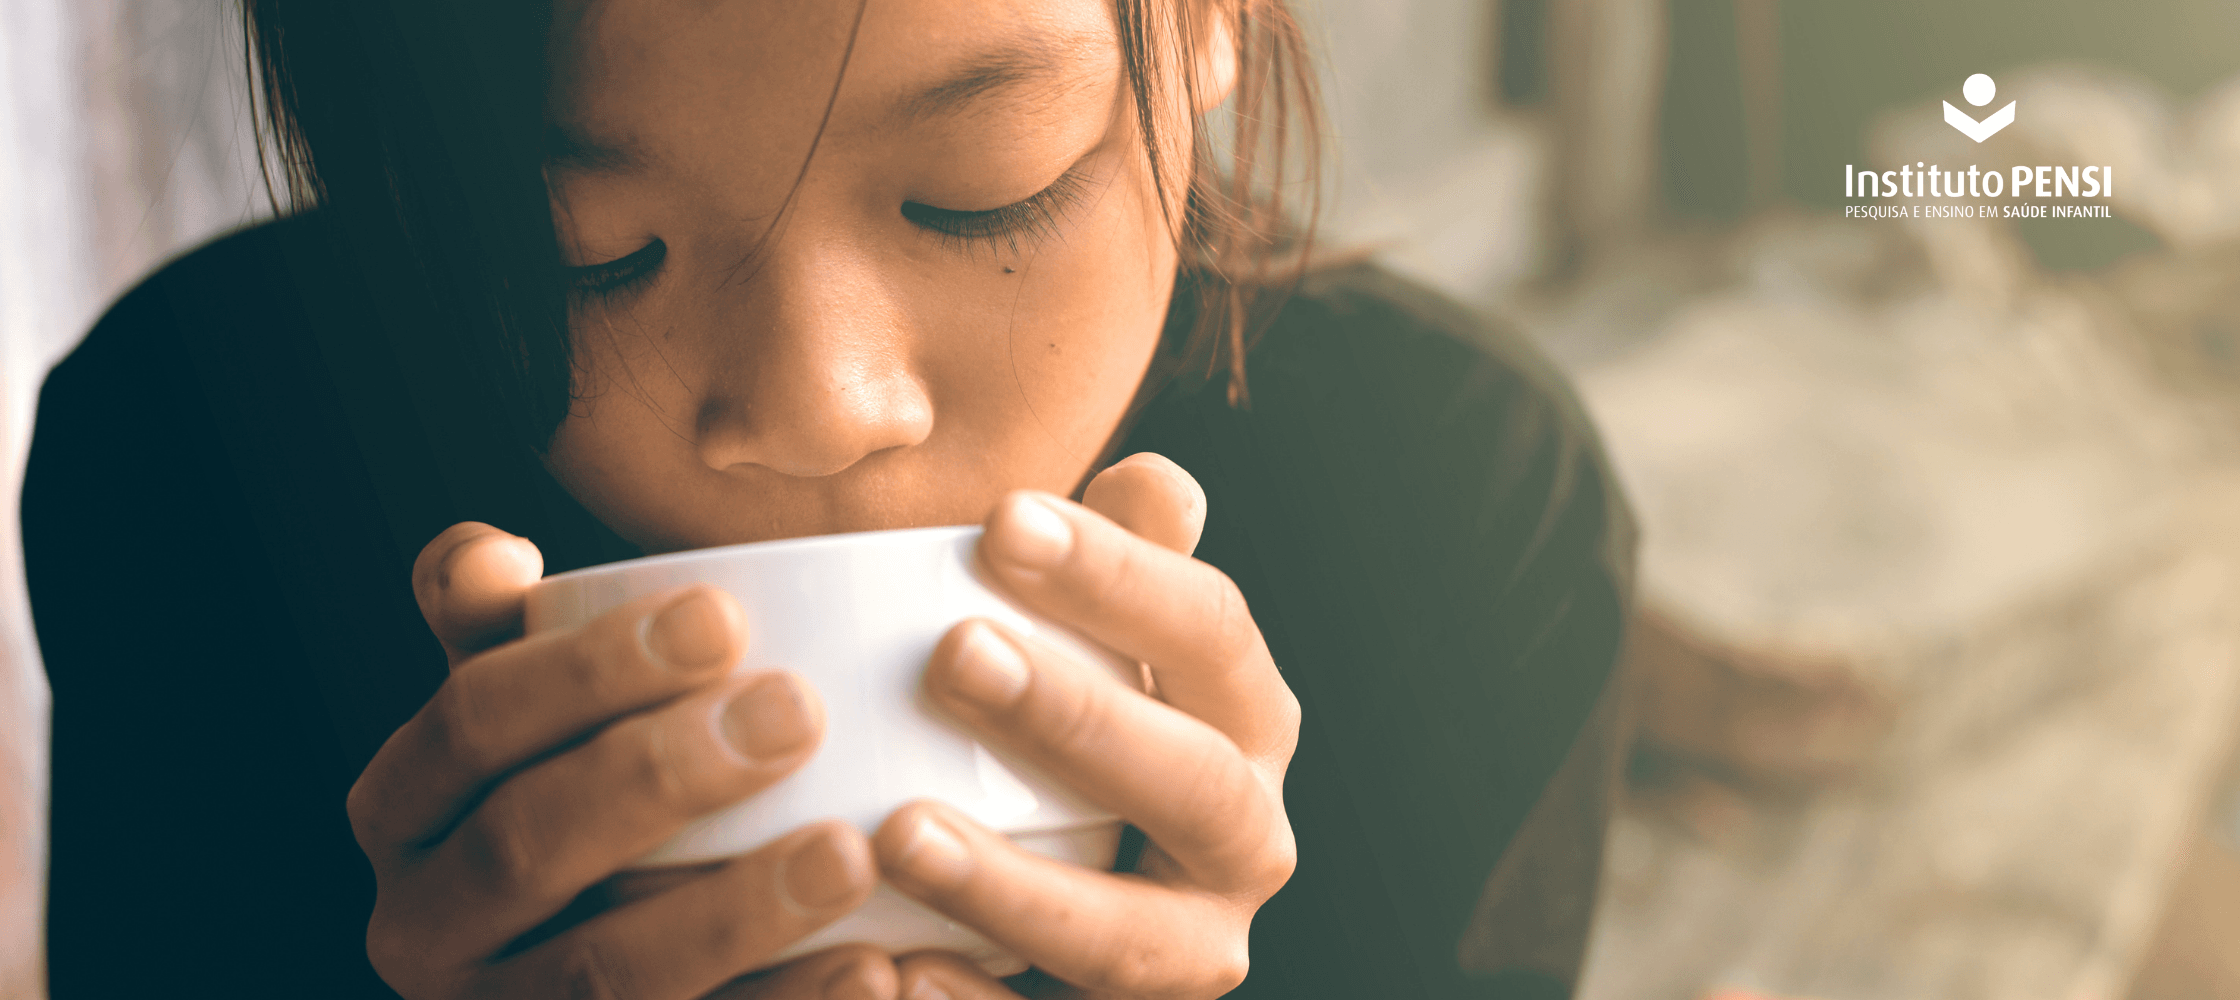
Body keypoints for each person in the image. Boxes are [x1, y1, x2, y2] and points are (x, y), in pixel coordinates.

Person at [21, 0, 1634, 997]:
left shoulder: (1460, 499)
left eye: (977, 187)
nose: (813, 411)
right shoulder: (195, 463)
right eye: (584, 249)